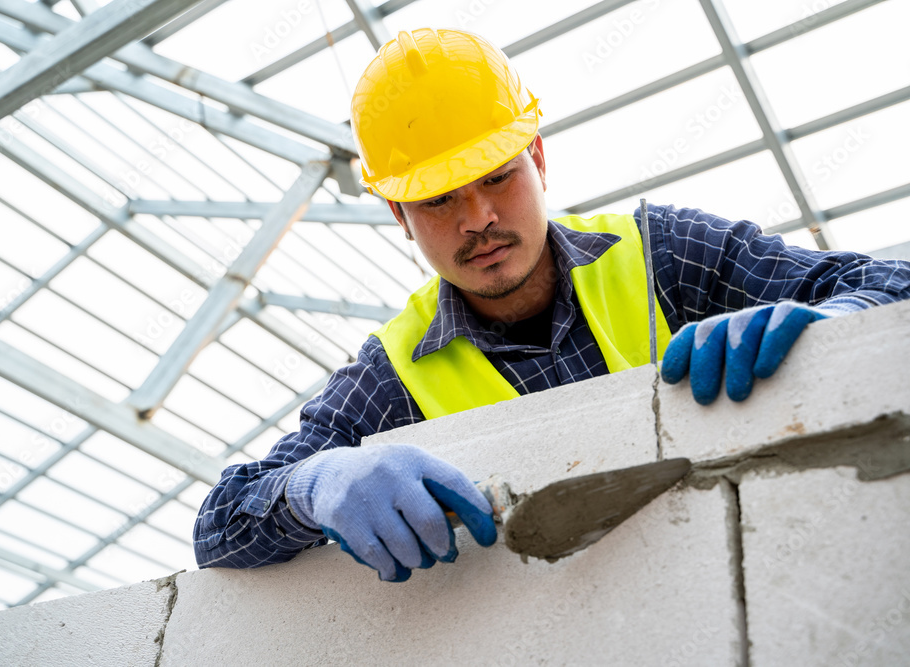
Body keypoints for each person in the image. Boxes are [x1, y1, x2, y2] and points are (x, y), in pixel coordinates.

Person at [194, 28, 910, 582]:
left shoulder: (665, 252)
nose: (477, 218)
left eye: (496, 177)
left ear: (537, 160)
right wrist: (315, 483)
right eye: (438, 199)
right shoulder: (394, 373)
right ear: (398, 216)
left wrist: (838, 331)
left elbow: (893, 283)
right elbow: (219, 526)